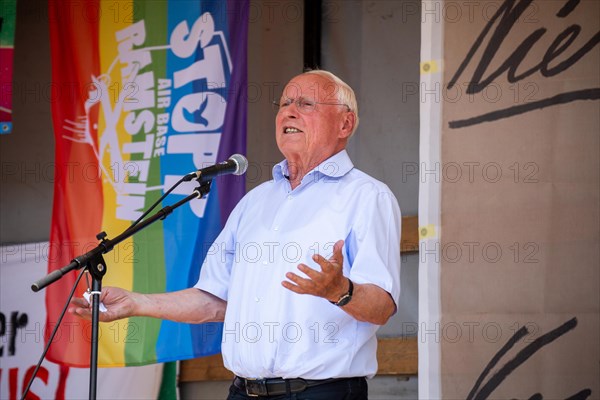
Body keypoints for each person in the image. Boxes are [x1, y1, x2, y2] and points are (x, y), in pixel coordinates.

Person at [70, 70, 401, 399]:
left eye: (306, 103)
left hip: (320, 392)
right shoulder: (255, 202)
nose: (288, 111)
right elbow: (214, 300)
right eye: (284, 102)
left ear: (345, 124)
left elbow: (382, 306)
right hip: (244, 391)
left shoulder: (367, 197)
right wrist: (136, 302)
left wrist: (339, 290)